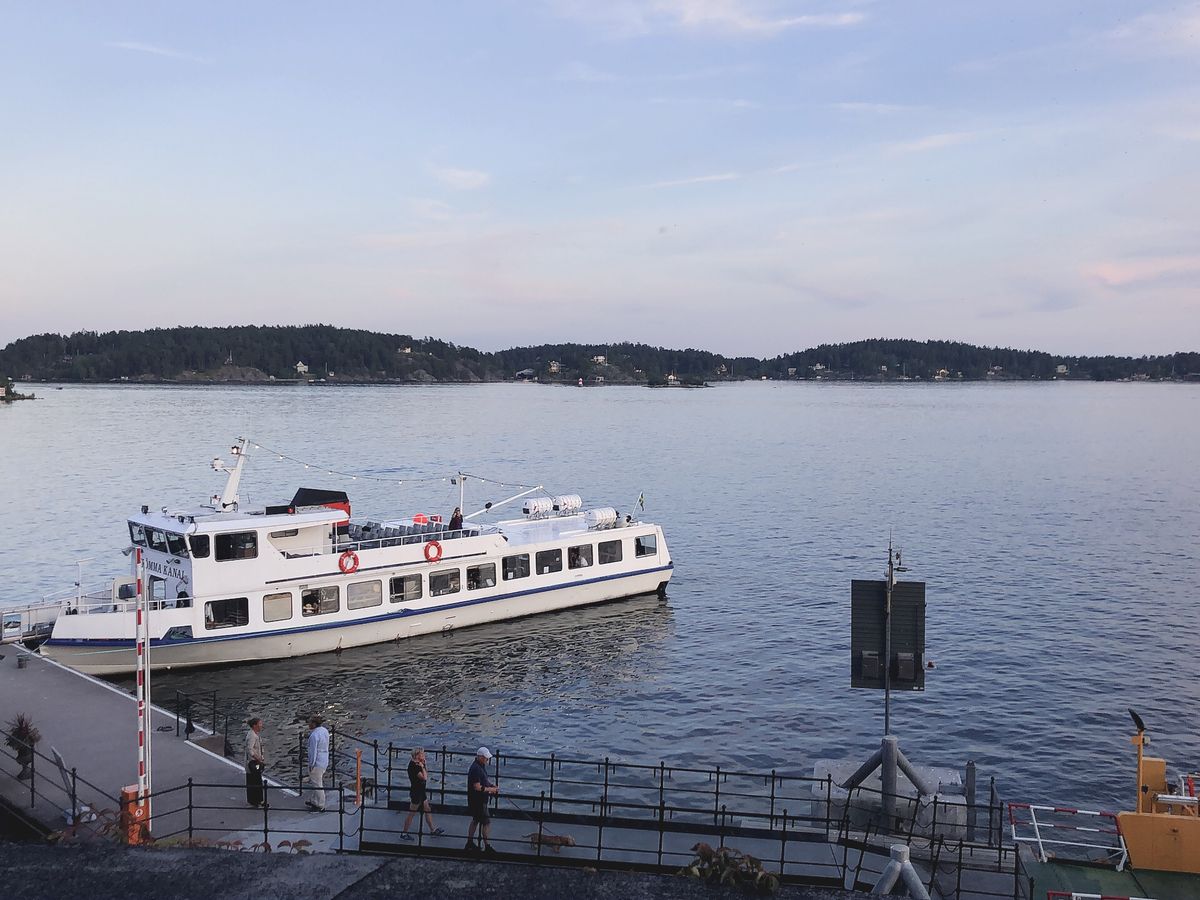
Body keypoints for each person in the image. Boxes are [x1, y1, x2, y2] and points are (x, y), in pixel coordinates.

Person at [401, 748, 444, 840]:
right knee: (412, 813)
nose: (424, 755)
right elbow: (424, 777)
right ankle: (404, 833)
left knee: (427, 809)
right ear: (417, 755)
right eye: (422, 754)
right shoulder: (414, 766)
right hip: (416, 792)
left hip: (421, 791)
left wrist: (424, 765)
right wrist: (422, 767)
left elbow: (426, 773)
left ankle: (433, 829)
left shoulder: (419, 764)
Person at [465, 746, 499, 853]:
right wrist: (491, 789)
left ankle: (469, 842)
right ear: (480, 757)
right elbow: (477, 787)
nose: (487, 760)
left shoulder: (480, 766)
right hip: (478, 801)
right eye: (485, 758)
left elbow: (484, 781)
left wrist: (491, 786)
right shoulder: (476, 769)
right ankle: (487, 846)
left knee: (475, 820)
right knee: (486, 822)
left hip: (477, 800)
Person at [305, 716, 330, 812]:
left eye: (310, 722)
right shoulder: (324, 731)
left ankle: (320, 805)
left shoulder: (314, 735)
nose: (309, 724)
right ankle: (314, 801)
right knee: (317, 781)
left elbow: (313, 752)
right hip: (324, 759)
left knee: (317, 784)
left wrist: (311, 764)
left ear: (314, 724)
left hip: (317, 762)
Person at [244, 717, 266, 807]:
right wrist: (258, 758)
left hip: (254, 762)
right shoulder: (252, 736)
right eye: (260, 724)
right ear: (254, 725)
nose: (261, 725)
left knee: (255, 780)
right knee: (255, 780)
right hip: (253, 763)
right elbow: (250, 749)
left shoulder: (254, 734)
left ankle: (256, 800)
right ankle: (256, 801)